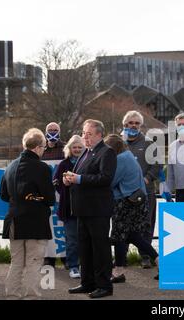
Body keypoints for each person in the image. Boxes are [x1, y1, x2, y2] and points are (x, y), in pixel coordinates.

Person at [0, 128, 56, 299]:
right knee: (33, 262)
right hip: (35, 221)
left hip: (14, 220)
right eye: (44, 148)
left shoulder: (10, 166)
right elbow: (50, 199)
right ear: (38, 147)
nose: (44, 151)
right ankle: (31, 295)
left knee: (16, 262)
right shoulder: (42, 168)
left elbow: (3, 195)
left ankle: (12, 295)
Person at [65, 119, 117, 299]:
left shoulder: (107, 152)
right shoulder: (86, 152)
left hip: (98, 209)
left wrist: (78, 179)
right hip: (82, 209)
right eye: (83, 133)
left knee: (100, 249)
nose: (84, 137)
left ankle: (104, 286)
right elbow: (82, 175)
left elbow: (105, 178)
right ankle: (87, 282)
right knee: (84, 247)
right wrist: (69, 179)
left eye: (88, 134)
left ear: (99, 134)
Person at [104, 134, 159, 283]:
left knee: (121, 236)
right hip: (136, 202)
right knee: (131, 236)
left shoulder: (121, 160)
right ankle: (158, 260)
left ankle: (119, 271)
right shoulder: (128, 156)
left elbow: (110, 181)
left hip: (126, 203)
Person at [121, 111, 161, 269]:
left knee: (145, 224)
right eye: (131, 122)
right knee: (121, 225)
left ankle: (145, 256)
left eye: (137, 123)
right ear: (125, 124)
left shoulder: (149, 143)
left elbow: (157, 165)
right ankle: (120, 257)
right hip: (123, 192)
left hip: (145, 191)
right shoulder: (118, 143)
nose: (133, 125)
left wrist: (147, 178)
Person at [52, 135, 85, 279]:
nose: (77, 149)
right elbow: (56, 183)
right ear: (69, 149)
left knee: (86, 239)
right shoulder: (63, 164)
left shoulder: (88, 161)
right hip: (68, 208)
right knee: (72, 240)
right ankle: (73, 266)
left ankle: (87, 265)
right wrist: (65, 188)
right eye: (75, 147)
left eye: (80, 147)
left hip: (86, 207)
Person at [41, 122, 66, 268]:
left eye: (55, 130)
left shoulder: (65, 149)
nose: (52, 132)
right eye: (50, 130)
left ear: (60, 131)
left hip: (61, 193)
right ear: (45, 131)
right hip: (45, 194)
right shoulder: (41, 148)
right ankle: (49, 258)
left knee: (63, 226)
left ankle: (66, 258)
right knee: (47, 226)